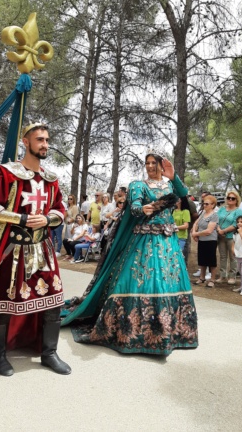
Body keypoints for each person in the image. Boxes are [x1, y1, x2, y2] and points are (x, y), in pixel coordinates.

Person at [61, 151, 198, 356]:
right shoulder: (138, 185)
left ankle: (170, 332)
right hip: (144, 241)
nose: (150, 166)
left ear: (161, 165)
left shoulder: (169, 185)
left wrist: (173, 175)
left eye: (154, 163)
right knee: (140, 279)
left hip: (168, 243)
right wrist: (145, 208)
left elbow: (183, 195)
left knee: (168, 281)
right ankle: (132, 332)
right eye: (147, 163)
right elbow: (133, 208)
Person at [0, 122, 71, 376]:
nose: (45, 145)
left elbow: (60, 209)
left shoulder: (52, 179)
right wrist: (24, 219)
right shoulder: (6, 173)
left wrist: (48, 219)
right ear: (25, 142)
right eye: (40, 140)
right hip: (13, 249)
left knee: (53, 300)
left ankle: (49, 352)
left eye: (47, 140)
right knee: (4, 301)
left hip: (44, 249)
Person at [191, 195, 218, 288]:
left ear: (212, 205)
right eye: (203, 203)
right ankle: (202, 278)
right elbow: (196, 223)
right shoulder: (203, 213)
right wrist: (194, 232)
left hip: (211, 240)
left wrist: (196, 234)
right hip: (202, 240)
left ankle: (212, 279)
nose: (204, 205)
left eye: (207, 204)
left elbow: (209, 231)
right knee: (202, 259)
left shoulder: (214, 215)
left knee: (211, 260)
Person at [216, 190, 242, 284]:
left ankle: (232, 276)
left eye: (233, 198)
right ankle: (222, 275)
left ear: (236, 200)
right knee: (222, 256)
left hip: (232, 236)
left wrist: (224, 230)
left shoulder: (238, 211)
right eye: (229, 198)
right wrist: (219, 229)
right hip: (220, 236)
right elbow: (216, 220)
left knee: (232, 256)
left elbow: (236, 224)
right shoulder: (222, 209)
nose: (230, 200)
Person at [172, 197, 191, 263]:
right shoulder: (174, 211)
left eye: (178, 198)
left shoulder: (185, 211)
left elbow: (186, 225)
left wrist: (174, 227)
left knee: (178, 255)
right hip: (172, 236)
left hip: (181, 237)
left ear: (181, 200)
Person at [232, 215, 242, 296]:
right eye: (238, 222)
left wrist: (241, 232)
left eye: (241, 222)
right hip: (238, 255)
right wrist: (232, 249)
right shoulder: (236, 233)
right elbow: (233, 242)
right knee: (240, 272)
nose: (239, 224)